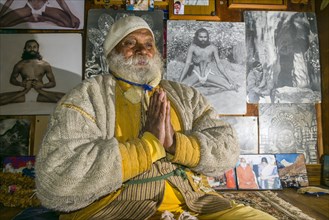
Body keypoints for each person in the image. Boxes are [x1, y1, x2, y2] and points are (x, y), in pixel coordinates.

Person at [35, 16, 275, 219]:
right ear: (111, 54)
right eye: (130, 43)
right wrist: (148, 145)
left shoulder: (186, 95)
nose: (142, 51)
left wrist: (175, 144)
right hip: (116, 208)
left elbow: (228, 150)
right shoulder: (86, 96)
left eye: (148, 44)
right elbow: (56, 180)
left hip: (199, 203)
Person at [0, 39, 65, 106]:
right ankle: (24, 92)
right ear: (25, 49)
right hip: (23, 93)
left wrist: (42, 85)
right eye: (29, 47)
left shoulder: (45, 65)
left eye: (34, 47)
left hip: (40, 93)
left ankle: (32, 91)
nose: (32, 49)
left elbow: (53, 83)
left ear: (37, 49)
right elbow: (12, 80)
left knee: (67, 97)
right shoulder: (19, 65)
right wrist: (21, 84)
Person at [180, 27, 239, 92]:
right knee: (181, 88)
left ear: (208, 37)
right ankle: (202, 83)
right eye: (201, 37)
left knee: (228, 85)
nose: (203, 39)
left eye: (205, 37)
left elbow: (219, 64)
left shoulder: (213, 48)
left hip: (208, 74)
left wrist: (229, 78)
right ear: (197, 37)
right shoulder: (192, 48)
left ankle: (204, 83)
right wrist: (180, 80)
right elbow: (187, 64)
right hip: (196, 73)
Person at [0, 0, 80, 28]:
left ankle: (44, 18)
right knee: (2, 23)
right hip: (29, 8)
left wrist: (72, 16)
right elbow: (9, 1)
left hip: (45, 8)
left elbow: (60, 1)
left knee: (71, 24)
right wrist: (0, 14)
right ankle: (26, 19)